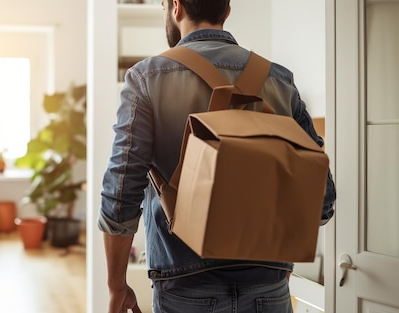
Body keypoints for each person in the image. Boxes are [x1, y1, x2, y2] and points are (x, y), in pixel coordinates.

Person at [98, 0, 337, 312]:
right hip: (270, 287)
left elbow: (120, 196)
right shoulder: (279, 80)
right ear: (227, 10)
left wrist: (117, 285)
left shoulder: (146, 79)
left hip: (185, 284)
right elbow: (323, 202)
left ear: (176, 7)